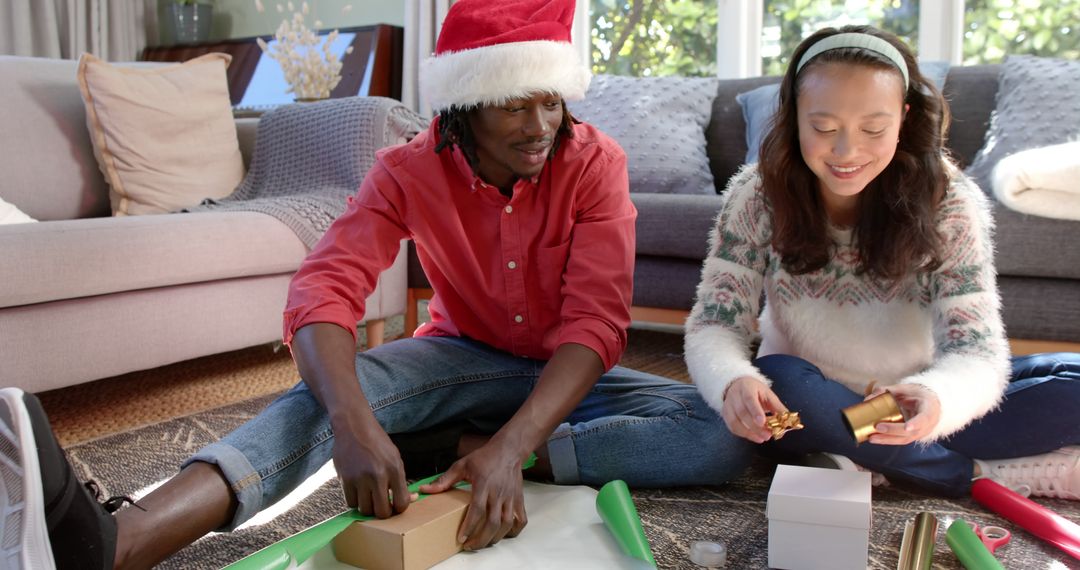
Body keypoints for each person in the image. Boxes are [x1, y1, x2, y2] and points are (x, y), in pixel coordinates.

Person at [4, 1, 752, 568]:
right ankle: (120, 541)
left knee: (718, 433)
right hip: (461, 358)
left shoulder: (594, 163)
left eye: (550, 99)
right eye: (512, 102)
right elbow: (323, 291)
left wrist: (513, 451)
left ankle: (462, 447)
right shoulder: (406, 169)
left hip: (568, 375)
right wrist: (356, 424)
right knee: (336, 393)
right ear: (462, 104)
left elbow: (594, 326)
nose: (538, 124)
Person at [684, 25, 1080, 499]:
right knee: (787, 389)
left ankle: (882, 459)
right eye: (824, 128)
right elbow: (714, 323)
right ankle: (976, 473)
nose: (847, 152)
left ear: (903, 119)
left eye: (873, 129)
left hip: (910, 399)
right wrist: (733, 381)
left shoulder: (949, 202)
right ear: (793, 117)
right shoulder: (757, 194)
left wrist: (936, 398)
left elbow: (977, 351)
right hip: (813, 398)